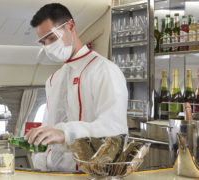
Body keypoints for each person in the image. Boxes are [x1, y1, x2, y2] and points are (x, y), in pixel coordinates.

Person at [24, 3, 128, 171]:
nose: (48, 47)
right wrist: (39, 157)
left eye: (52, 38)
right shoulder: (53, 79)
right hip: (50, 173)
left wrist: (66, 133)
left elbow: (114, 129)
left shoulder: (105, 71)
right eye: (43, 42)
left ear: (70, 26)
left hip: (86, 173)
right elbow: (48, 127)